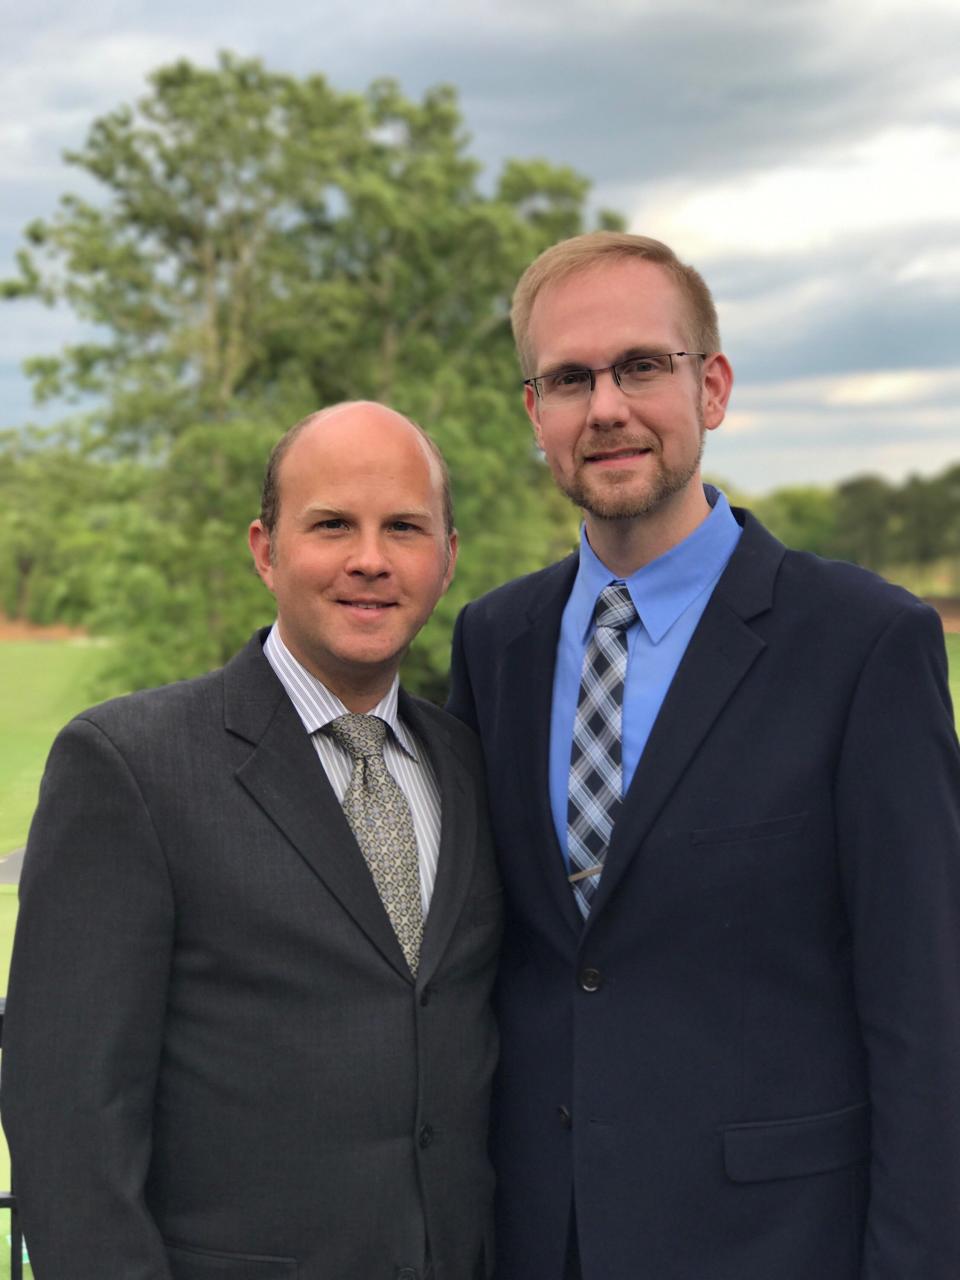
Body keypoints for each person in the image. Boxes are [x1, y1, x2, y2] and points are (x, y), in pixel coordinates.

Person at [447, 232, 960, 1280]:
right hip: (540, 1240)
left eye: (642, 365)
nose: (606, 407)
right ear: (534, 413)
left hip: (774, 1243)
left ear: (711, 386)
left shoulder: (864, 642)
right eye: (569, 378)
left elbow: (928, 1008)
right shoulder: (492, 642)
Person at [2, 402, 502, 1280]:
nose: (370, 559)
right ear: (265, 549)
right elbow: (67, 1118)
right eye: (332, 525)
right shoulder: (129, 765)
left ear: (447, 558)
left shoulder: (467, 763)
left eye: (405, 528)